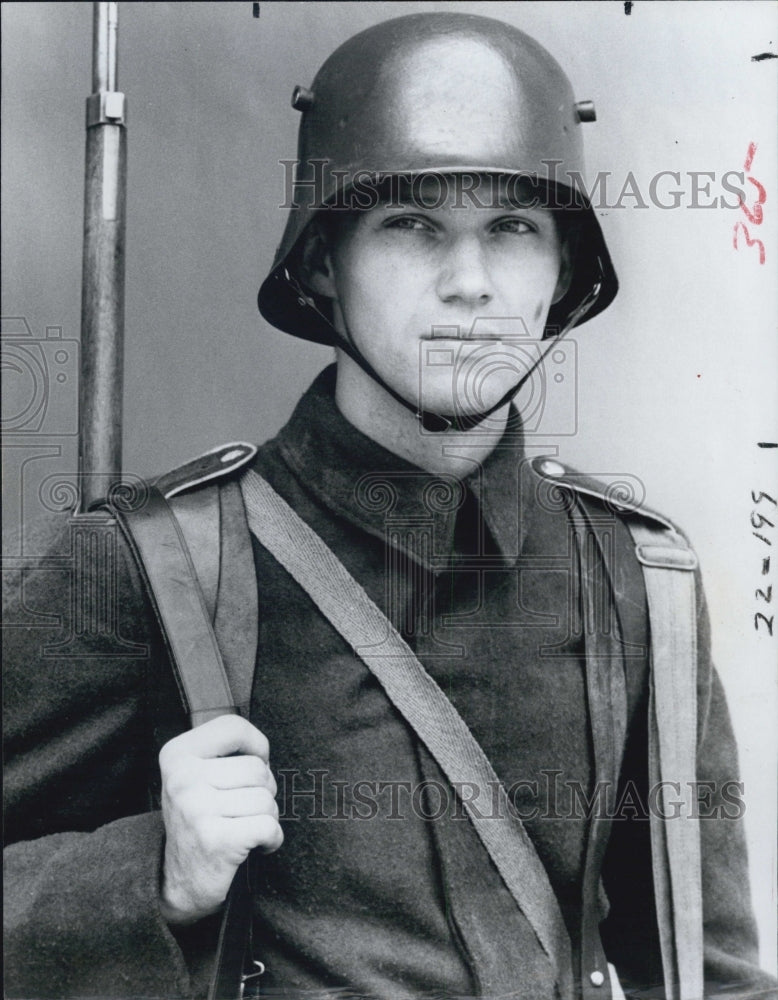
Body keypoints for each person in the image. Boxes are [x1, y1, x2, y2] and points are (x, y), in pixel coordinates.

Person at [3, 11, 774, 1000]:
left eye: (513, 227)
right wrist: (151, 876)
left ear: (564, 276)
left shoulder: (634, 580)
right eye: (413, 225)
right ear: (324, 261)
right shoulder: (156, 563)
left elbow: (710, 975)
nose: (469, 283)